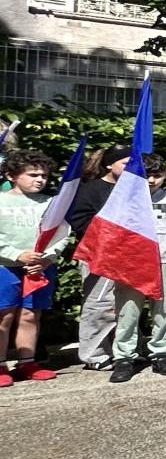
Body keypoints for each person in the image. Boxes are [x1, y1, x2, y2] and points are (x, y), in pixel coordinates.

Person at [105, 154, 166, 382]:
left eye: (158, 175)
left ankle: (161, 353)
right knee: (128, 311)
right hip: (133, 263)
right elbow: (112, 234)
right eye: (148, 176)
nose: (152, 180)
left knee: (163, 311)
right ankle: (124, 358)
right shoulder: (125, 199)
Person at [0, 151, 67, 385]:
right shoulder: (1, 201)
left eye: (44, 175)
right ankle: (1, 367)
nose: (40, 179)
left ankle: (27, 363)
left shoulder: (50, 203)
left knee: (30, 315)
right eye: (32, 174)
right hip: (5, 267)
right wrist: (17, 254)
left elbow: (62, 234)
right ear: (12, 175)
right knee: (4, 316)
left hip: (39, 268)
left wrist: (46, 258)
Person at [68, 146, 129, 371]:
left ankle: (126, 349)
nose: (131, 168)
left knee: (127, 304)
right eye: (125, 163)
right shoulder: (91, 190)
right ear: (108, 165)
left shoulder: (136, 189)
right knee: (99, 304)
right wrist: (109, 233)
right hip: (99, 255)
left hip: (130, 256)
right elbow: (79, 220)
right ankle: (94, 353)